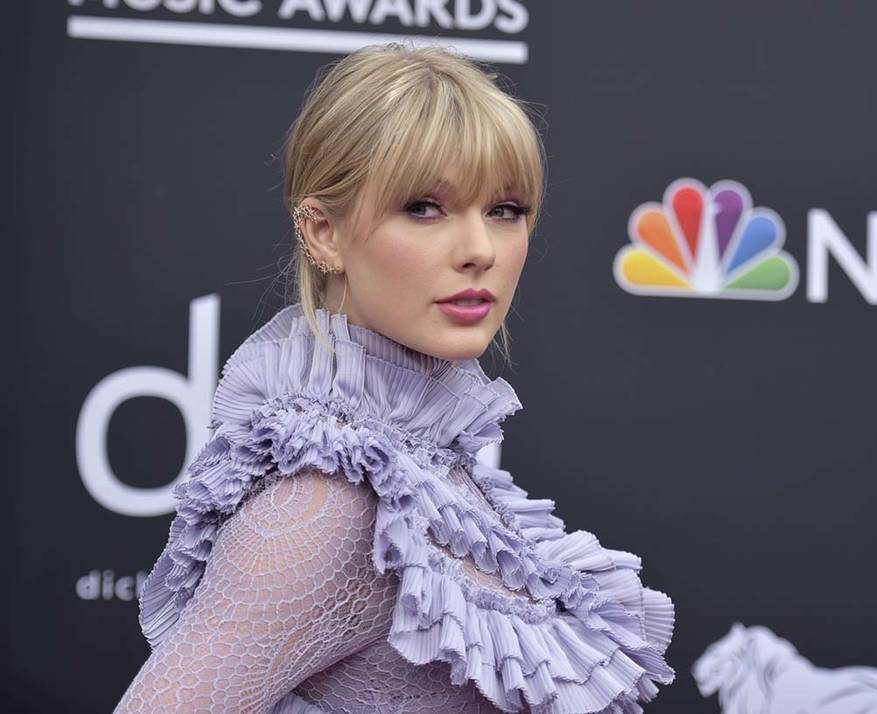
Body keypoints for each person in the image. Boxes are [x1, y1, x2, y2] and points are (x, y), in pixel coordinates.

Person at [114, 43, 675, 713]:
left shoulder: (430, 469)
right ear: (322, 233)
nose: (479, 251)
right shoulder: (328, 506)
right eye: (424, 208)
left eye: (505, 210)